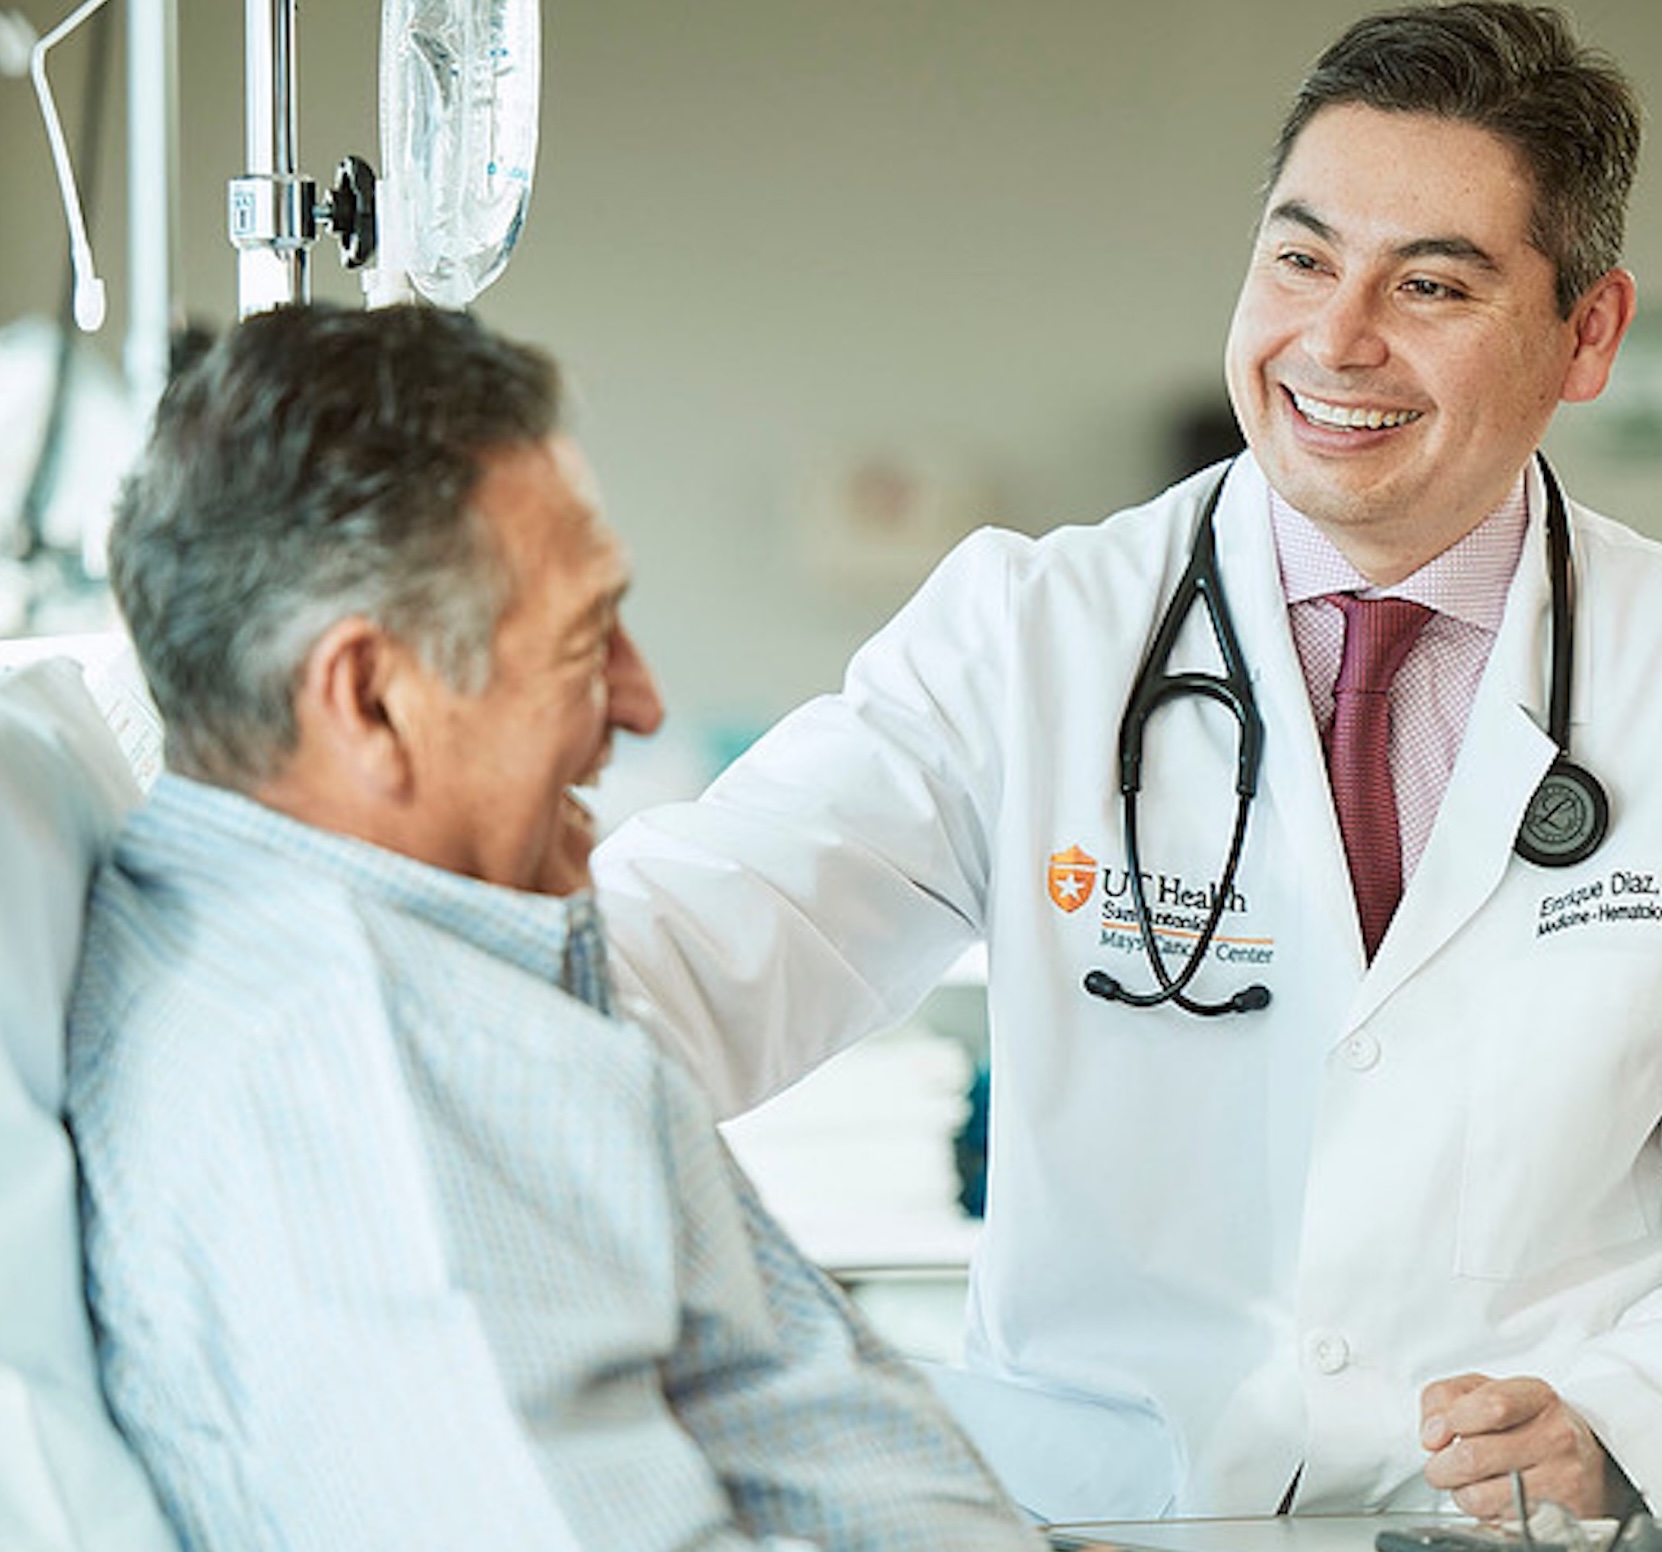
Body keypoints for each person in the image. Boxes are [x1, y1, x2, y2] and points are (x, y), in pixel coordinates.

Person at [592, 6, 1662, 1551]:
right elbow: (720, 925)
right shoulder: (1027, 635)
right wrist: (426, 995)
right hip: (1125, 1511)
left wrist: (1634, 1423)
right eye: (1299, 259)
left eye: (1430, 283)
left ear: (1587, 336)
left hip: (1541, 1524)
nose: (1334, 338)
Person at [64, 303, 1041, 1552]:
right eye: (586, 641)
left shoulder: (427, 976)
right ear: (369, 700)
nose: (637, 701)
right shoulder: (361, 1093)